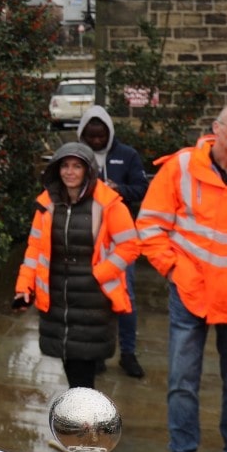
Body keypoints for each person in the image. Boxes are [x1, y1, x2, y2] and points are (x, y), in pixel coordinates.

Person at [137, 109, 227, 452]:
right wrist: (173, 270)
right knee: (181, 382)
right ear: (217, 130)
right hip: (189, 293)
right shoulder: (182, 167)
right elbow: (151, 223)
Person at [13, 142, 138, 391]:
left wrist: (100, 274)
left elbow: (130, 245)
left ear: (88, 170)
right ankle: (81, 421)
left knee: (83, 374)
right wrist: (23, 287)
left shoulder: (109, 204)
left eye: (77, 166)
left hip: (92, 299)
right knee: (70, 367)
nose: (70, 172)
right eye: (65, 166)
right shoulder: (46, 205)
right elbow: (34, 249)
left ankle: (85, 424)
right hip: (57, 297)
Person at [78, 105, 150, 378]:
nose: (96, 141)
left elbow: (142, 188)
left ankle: (128, 353)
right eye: (91, 136)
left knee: (125, 296)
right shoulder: (77, 156)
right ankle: (97, 353)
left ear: (109, 133)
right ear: (83, 134)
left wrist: (119, 189)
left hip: (120, 238)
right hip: (86, 236)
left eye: (101, 136)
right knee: (92, 298)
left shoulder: (127, 155)